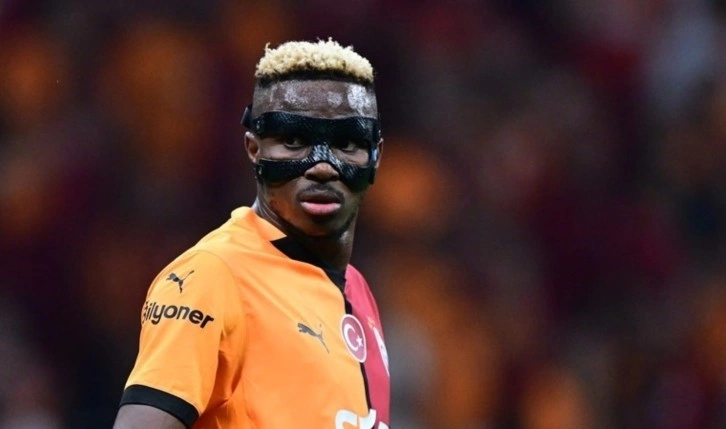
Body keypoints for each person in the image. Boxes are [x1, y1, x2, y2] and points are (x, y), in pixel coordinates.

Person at [112, 39, 391, 429]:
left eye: (346, 143)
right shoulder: (212, 275)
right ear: (253, 149)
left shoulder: (358, 292)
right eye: (294, 141)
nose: (323, 166)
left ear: (376, 156)